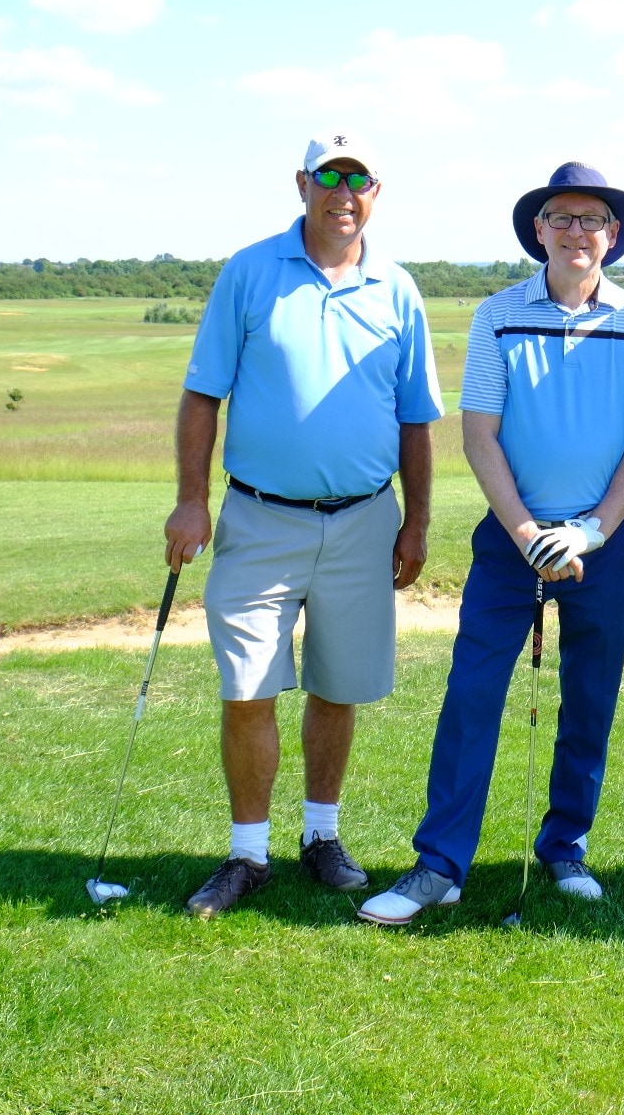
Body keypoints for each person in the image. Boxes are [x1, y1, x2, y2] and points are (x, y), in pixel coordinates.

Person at [359, 163, 624, 925]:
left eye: (591, 219)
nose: (575, 232)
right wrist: (528, 533)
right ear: (539, 230)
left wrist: (590, 531)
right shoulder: (498, 314)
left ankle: (566, 848)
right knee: (472, 693)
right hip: (511, 540)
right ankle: (441, 864)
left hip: (602, 542)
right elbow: (480, 435)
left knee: (588, 698)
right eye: (561, 218)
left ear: (612, 235)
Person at [163, 132, 442, 919]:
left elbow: (416, 420)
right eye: (329, 176)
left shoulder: (398, 289)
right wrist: (191, 499)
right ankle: (247, 855)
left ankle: (321, 837)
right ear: (302, 183)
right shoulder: (251, 272)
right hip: (259, 519)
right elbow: (202, 395)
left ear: (376, 192)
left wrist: (417, 523)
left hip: (363, 522)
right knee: (248, 687)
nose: (343, 193)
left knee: (337, 686)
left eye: (359, 179)